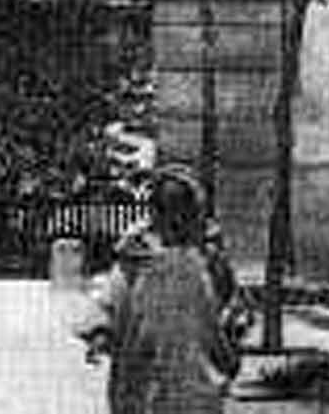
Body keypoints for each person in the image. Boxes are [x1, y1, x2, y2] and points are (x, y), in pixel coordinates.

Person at [73, 169, 240, 414]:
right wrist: (101, 331)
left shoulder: (206, 257)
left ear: (193, 212)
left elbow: (222, 306)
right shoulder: (136, 257)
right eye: (165, 208)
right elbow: (112, 296)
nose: (174, 219)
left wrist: (230, 337)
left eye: (181, 209)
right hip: (141, 365)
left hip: (194, 369)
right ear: (155, 212)